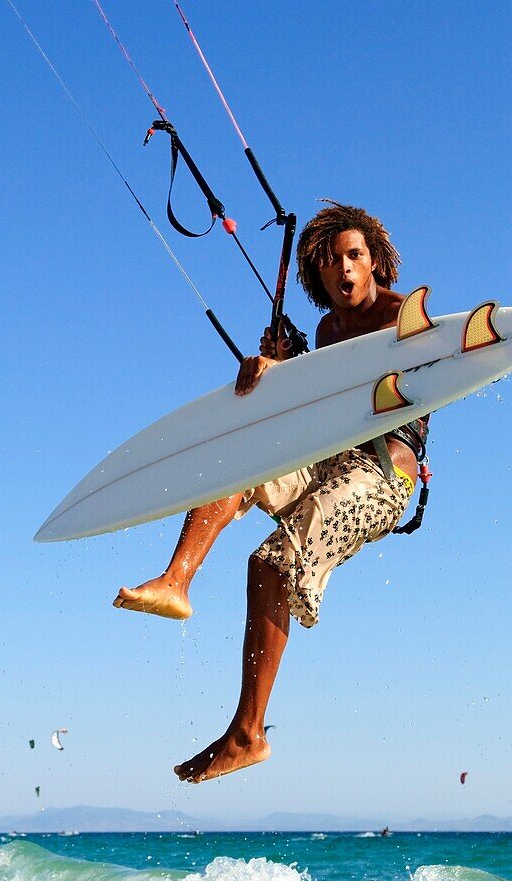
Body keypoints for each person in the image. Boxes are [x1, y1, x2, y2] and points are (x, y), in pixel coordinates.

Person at [115, 202, 428, 782]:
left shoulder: (404, 316)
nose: (345, 270)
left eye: (354, 256)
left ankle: (247, 732)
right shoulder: (329, 330)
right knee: (240, 463)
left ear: (376, 262)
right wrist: (276, 371)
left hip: (383, 472)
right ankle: (176, 581)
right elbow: (321, 403)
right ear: (317, 275)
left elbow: (424, 376)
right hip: (330, 455)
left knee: (272, 561)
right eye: (333, 262)